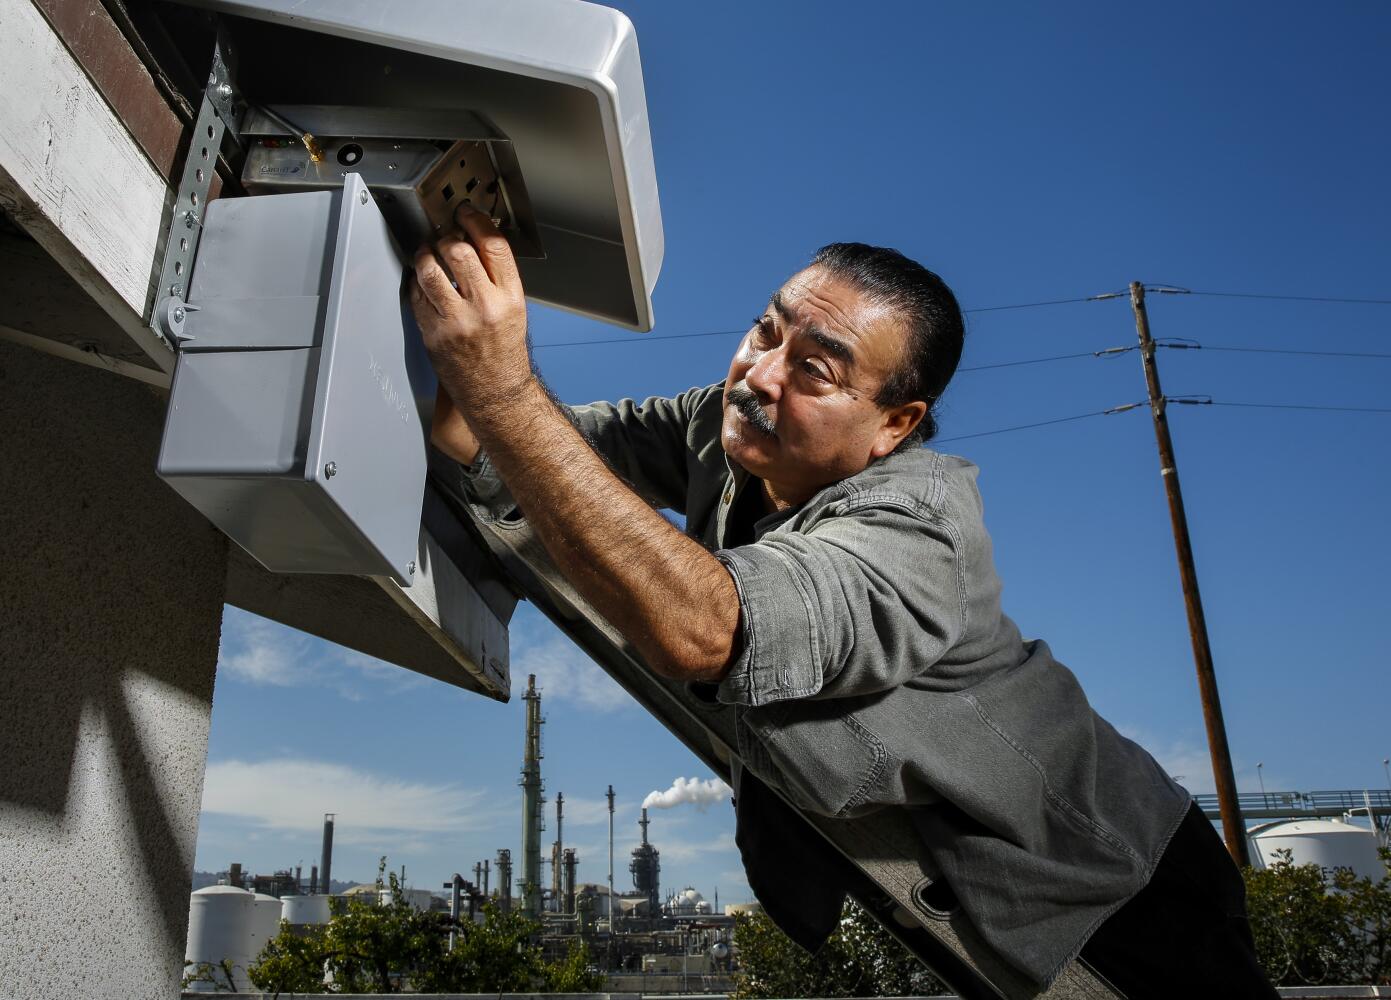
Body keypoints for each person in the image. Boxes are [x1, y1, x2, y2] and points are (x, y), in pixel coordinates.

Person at [412, 204, 1278, 996]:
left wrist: (501, 385)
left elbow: (709, 630)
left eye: (815, 370)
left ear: (895, 424)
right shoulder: (723, 425)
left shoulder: (919, 530)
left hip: (1116, 888)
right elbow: (513, 455)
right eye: (764, 331)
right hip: (955, 893)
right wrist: (446, 358)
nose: (759, 376)